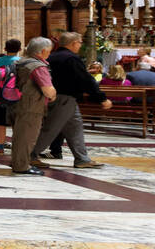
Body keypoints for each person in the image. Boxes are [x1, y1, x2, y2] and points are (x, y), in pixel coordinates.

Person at [30, 31, 111, 170]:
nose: (80, 45)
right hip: (64, 98)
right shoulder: (71, 58)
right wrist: (101, 98)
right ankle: (30, 155)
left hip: (58, 97)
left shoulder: (52, 56)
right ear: (73, 43)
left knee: (75, 127)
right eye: (79, 43)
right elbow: (85, 79)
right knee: (51, 129)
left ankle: (82, 159)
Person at [10, 38, 57, 175]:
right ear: (42, 51)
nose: (49, 54)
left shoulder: (21, 62)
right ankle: (21, 166)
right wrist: (53, 95)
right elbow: (48, 90)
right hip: (32, 106)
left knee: (19, 135)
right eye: (48, 51)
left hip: (17, 103)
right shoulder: (38, 67)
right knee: (27, 137)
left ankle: (17, 161)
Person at [0, 38, 22, 156]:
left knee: (0, 123)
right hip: (17, 95)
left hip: (0, 95)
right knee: (17, 123)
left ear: (5, 49)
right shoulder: (22, 61)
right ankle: (17, 147)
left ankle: (0, 148)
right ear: (20, 49)